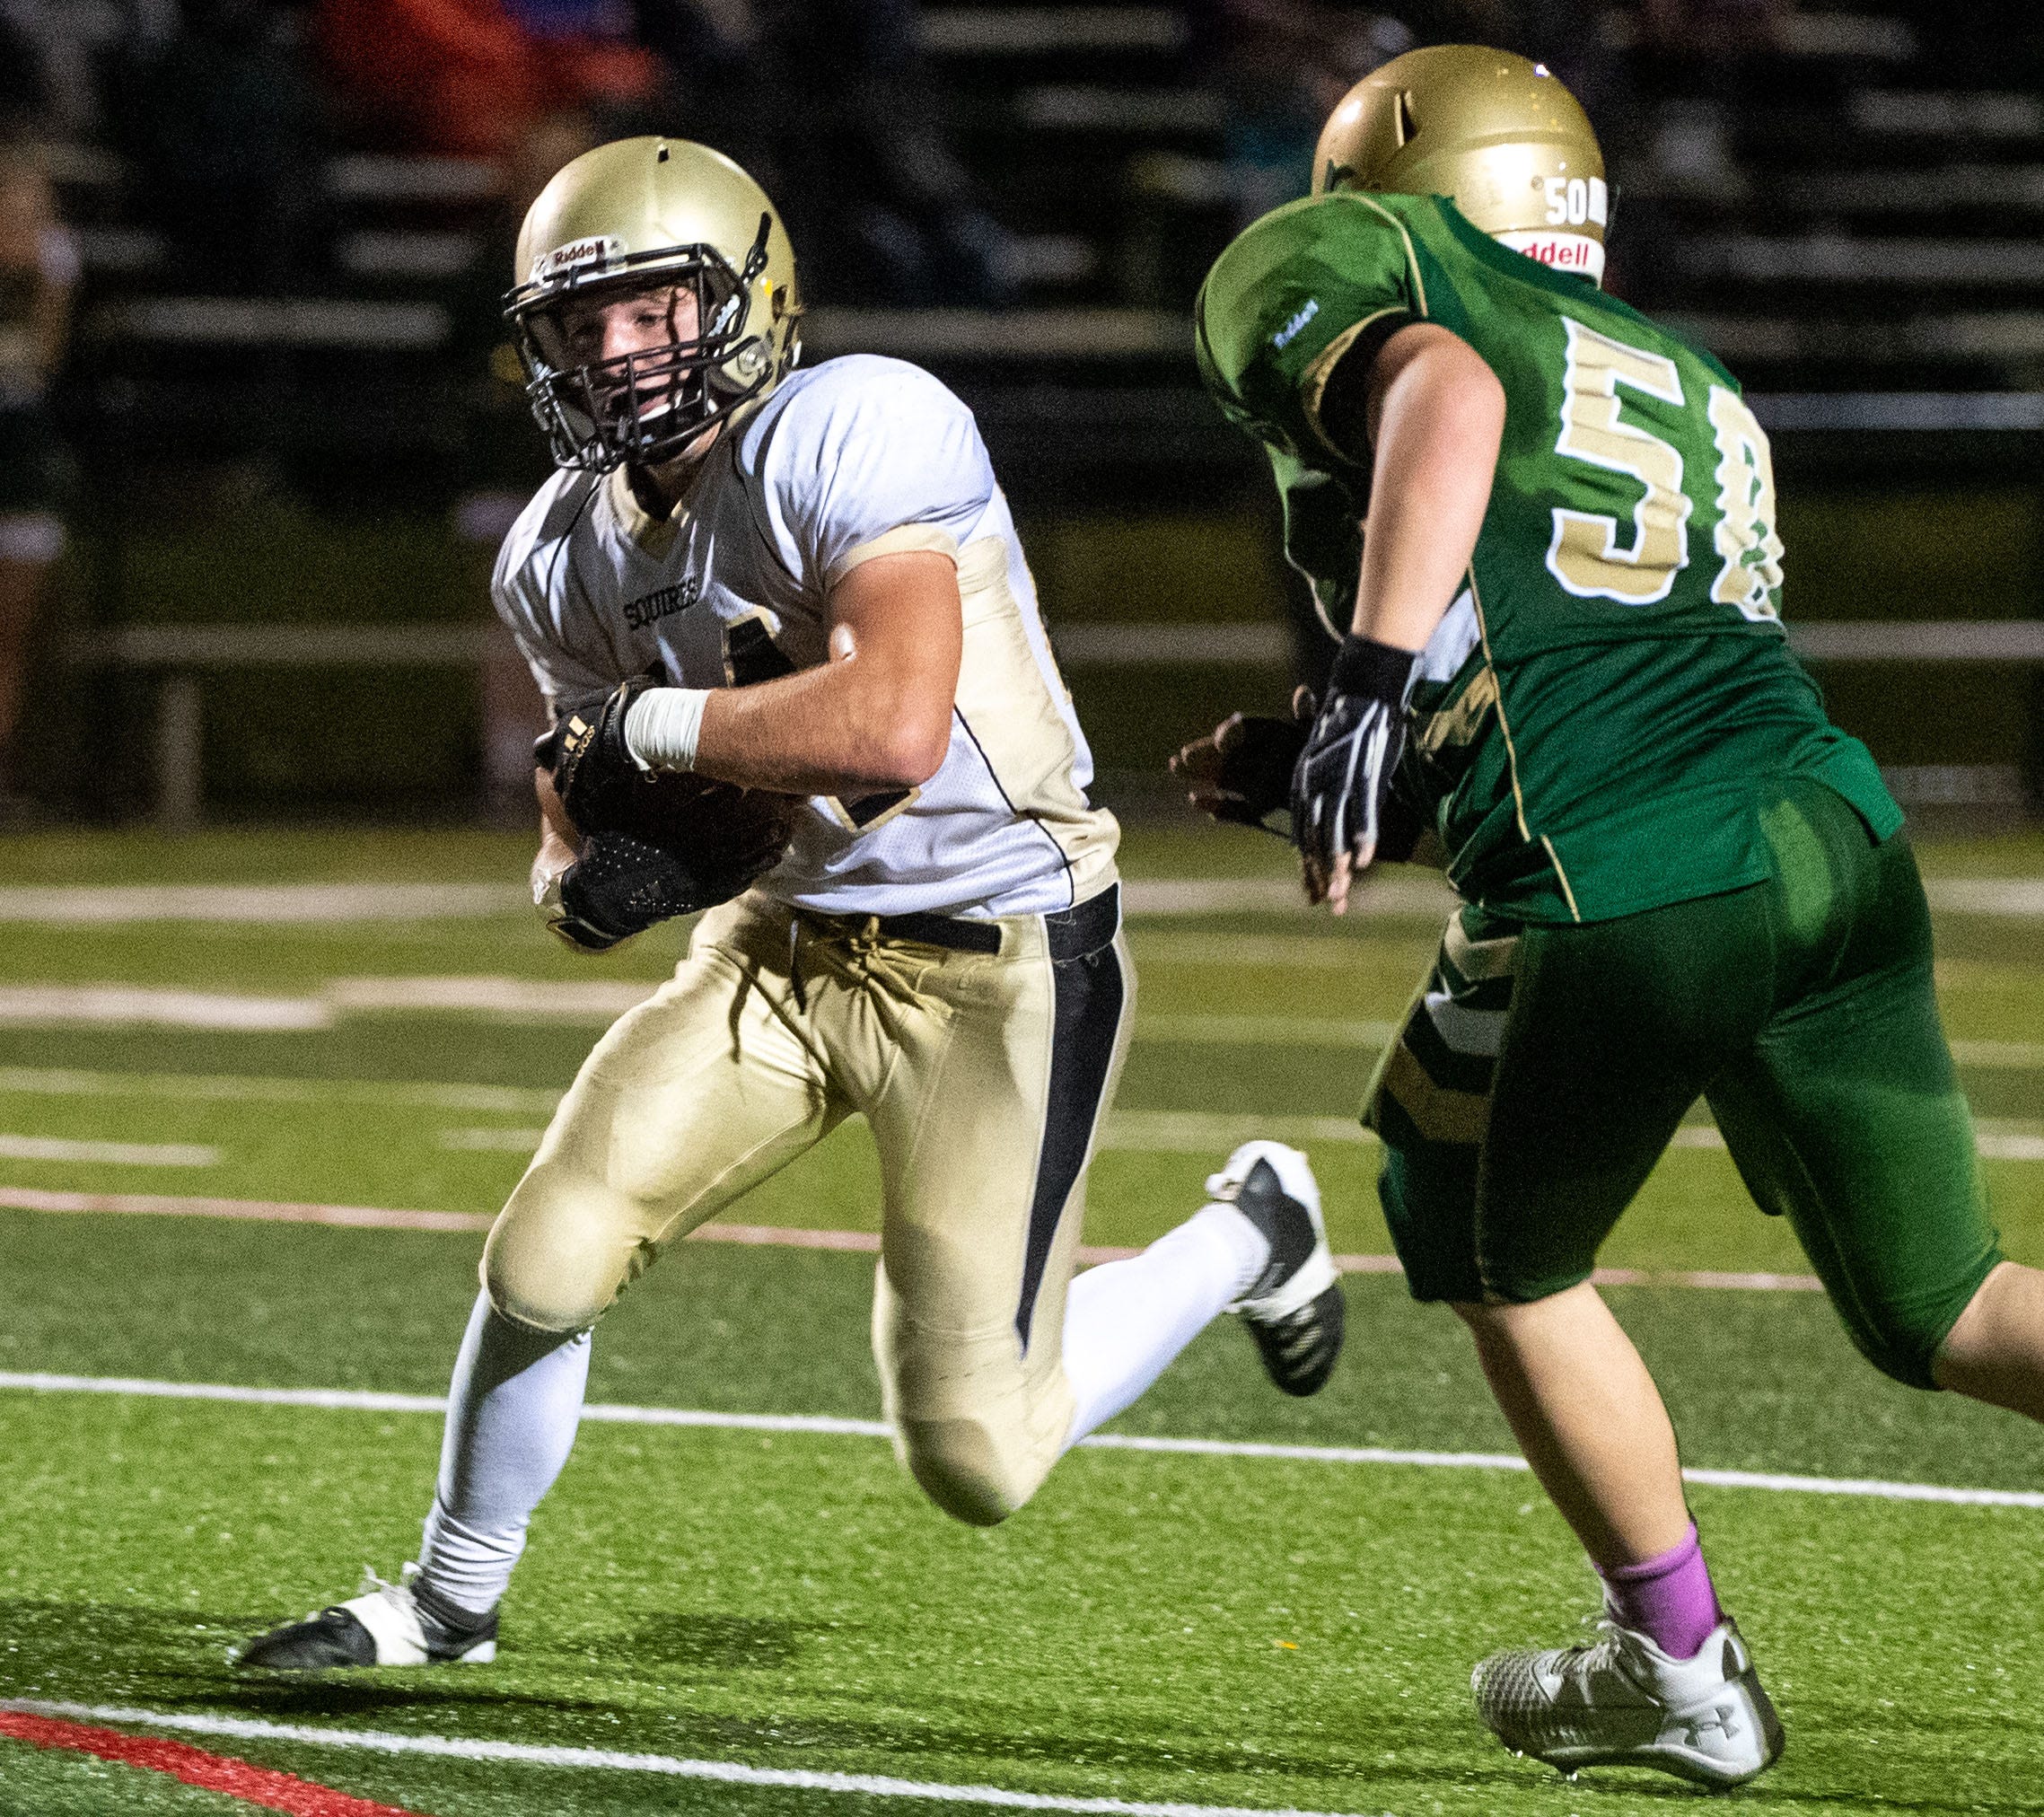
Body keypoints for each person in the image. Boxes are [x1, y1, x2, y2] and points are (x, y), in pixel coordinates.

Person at [239, 136, 1347, 1672]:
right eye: (580, 324)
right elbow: (575, 810)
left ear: (745, 300)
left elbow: (890, 720)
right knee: (545, 1252)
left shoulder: (857, 424)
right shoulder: (557, 553)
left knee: (976, 1451)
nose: (615, 352)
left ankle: (1250, 1226)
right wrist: (580, 886)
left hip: (997, 946)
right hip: (779, 940)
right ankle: (450, 1592)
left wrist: (651, 733)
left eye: (652, 310)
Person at [1178, 44, 2044, 1790]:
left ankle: (1674, 1665)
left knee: (1473, 1221)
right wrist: (1364, 760)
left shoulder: (1357, 270)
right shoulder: (1679, 365)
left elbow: (1440, 392)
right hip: (1827, 837)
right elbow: (1588, 675)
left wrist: (1352, 684)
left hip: (1633, 872)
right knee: (1943, 1301)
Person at [0, 144, 76, 812]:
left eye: (33, 205)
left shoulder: (49, 271)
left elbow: (41, 362)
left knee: (12, 641)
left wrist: (43, 277)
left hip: (20, 465)